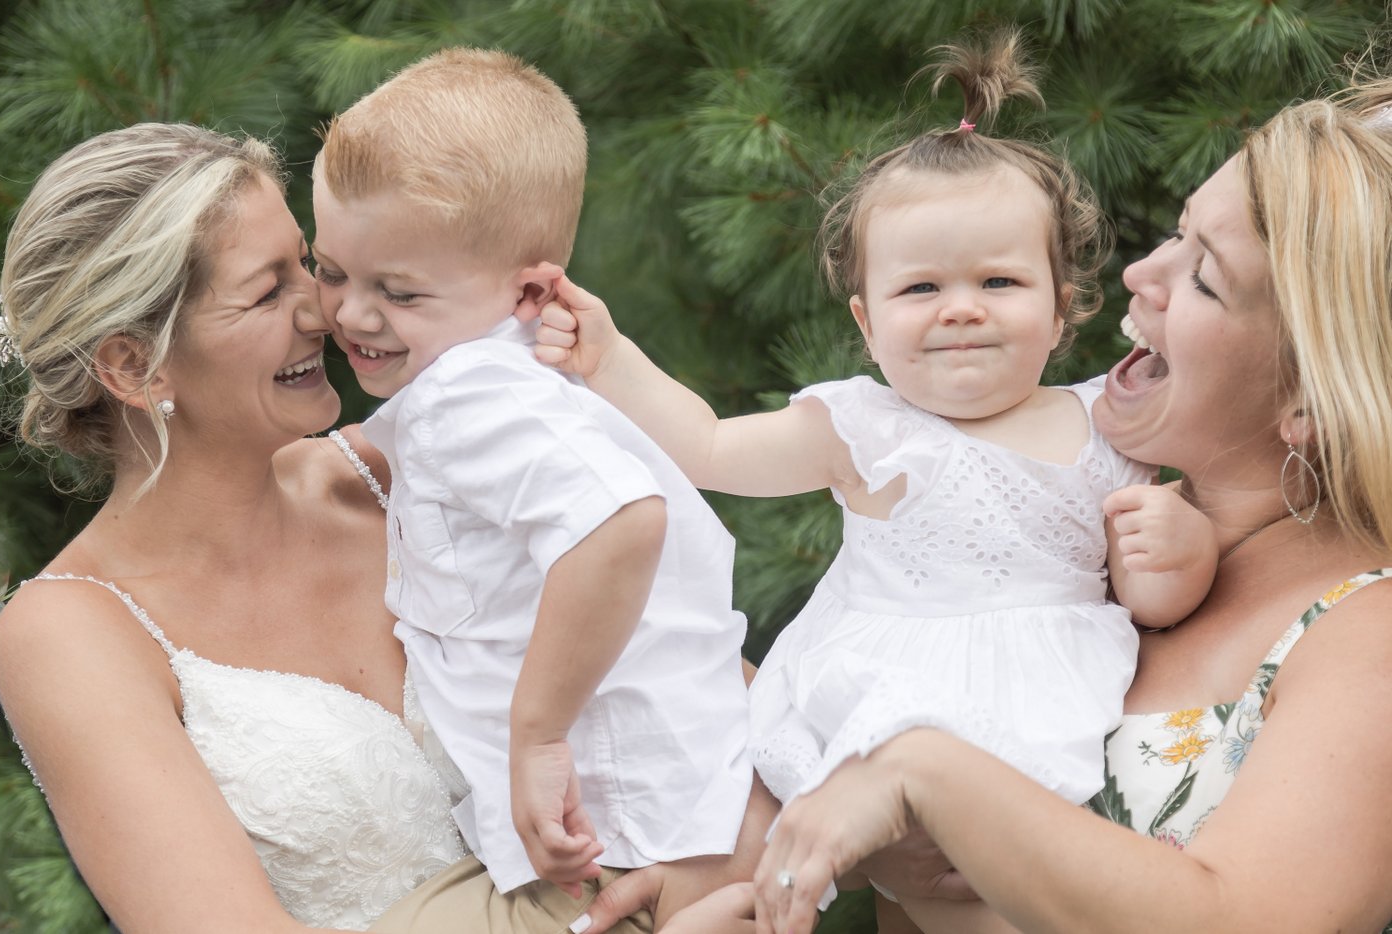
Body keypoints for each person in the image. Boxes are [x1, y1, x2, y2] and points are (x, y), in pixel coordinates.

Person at [533, 32, 1217, 855]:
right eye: (920, 287)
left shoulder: (1105, 422)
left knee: (1008, 880)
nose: (960, 308)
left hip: (1054, 699)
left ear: (1063, 305)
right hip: (881, 692)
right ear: (866, 322)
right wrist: (610, 359)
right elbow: (711, 448)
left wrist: (1182, 555)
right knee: (905, 870)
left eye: (998, 282)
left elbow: (1148, 602)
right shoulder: (860, 428)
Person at [742, 71, 1392, 934]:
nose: (1139, 274)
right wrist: (741, 865)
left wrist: (921, 777)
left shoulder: (1366, 636)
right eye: (1175, 231)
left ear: (1310, 398)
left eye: (1203, 278)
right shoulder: (1068, 528)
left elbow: (1246, 919)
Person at [309, 47, 759, 927]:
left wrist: (537, 733)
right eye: (332, 272)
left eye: (397, 291)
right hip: (678, 802)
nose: (352, 314)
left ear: (527, 285)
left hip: (622, 827)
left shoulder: (466, 398)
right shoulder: (541, 372)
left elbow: (622, 521)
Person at [0, 122, 468, 932]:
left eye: (305, 265)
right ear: (134, 367)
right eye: (267, 289)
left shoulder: (404, 475)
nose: (324, 309)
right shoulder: (72, 633)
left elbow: (683, 669)